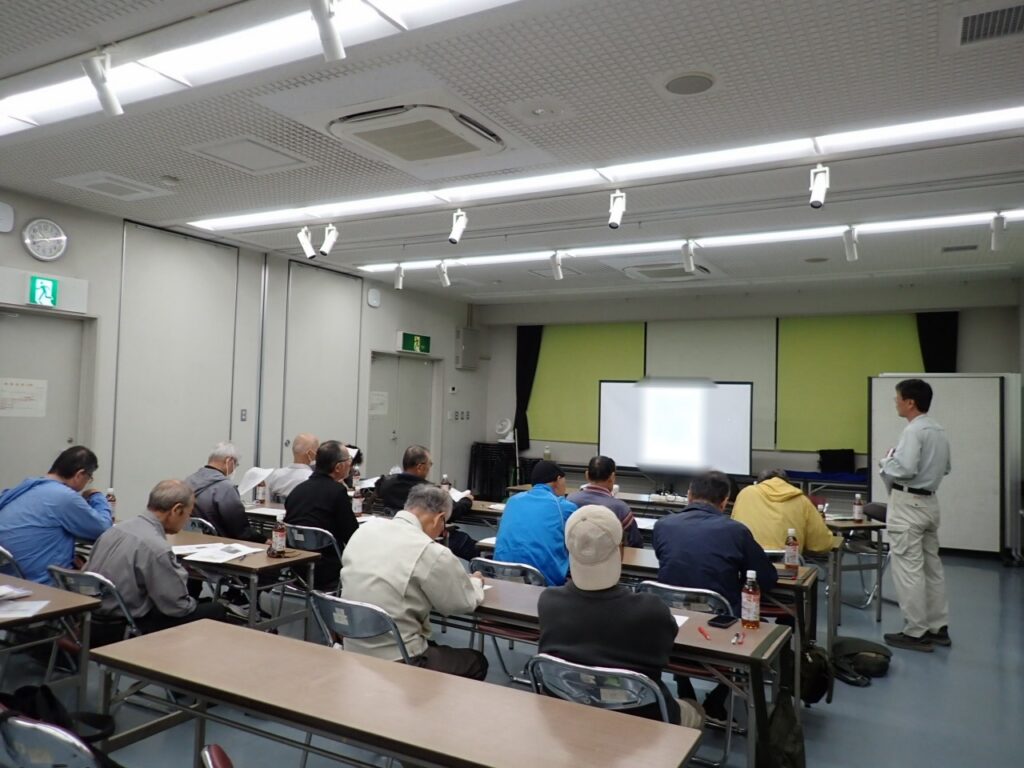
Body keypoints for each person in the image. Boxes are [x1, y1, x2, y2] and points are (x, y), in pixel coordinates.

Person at [538, 505, 703, 728]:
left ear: (569, 548)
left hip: (565, 710)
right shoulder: (651, 609)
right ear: (621, 550)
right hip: (643, 719)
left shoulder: (548, 601)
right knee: (695, 710)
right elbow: (667, 649)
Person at [652, 470, 777, 725]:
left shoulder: (663, 525)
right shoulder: (736, 531)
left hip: (669, 622)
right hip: (719, 624)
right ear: (725, 501)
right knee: (756, 623)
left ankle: (684, 687)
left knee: (682, 596)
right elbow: (766, 578)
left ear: (689, 495)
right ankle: (718, 698)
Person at [340, 485, 488, 679]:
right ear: (439, 518)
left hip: (352, 645)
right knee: (476, 662)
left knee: (431, 644)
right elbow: (461, 604)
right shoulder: (430, 551)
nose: (443, 531)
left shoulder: (364, 531)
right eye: (444, 524)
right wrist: (475, 583)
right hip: (398, 657)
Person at [85, 479, 226, 644]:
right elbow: (178, 607)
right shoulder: (157, 548)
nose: (187, 520)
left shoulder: (114, 531)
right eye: (189, 514)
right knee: (216, 609)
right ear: (176, 510)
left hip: (91, 620)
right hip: (124, 628)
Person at [878, 378, 952, 652]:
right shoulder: (938, 430)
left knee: (908, 569)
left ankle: (915, 631)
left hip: (908, 505)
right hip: (930, 503)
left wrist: (886, 461)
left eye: (897, 398)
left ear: (910, 402)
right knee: (932, 568)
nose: (895, 402)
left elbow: (905, 469)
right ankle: (938, 627)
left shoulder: (913, 431)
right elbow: (946, 468)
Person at [0, 446, 112, 585]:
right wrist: (97, 496)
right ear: (80, 474)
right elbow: (104, 529)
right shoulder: (63, 496)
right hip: (38, 586)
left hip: (8, 579)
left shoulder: (25, 487)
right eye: (89, 477)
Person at [375, 445, 479, 560]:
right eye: (430, 464)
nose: (430, 468)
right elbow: (452, 512)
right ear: (420, 467)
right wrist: (467, 500)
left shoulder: (386, 484)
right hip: (428, 537)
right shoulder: (427, 491)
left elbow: (378, 485)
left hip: (398, 535)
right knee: (468, 543)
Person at [284, 440, 359, 591]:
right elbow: (352, 535)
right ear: (338, 467)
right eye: (349, 460)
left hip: (296, 566)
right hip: (327, 568)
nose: (350, 464)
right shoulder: (337, 492)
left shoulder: (297, 490)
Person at [494, 460, 577, 586]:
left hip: (502, 576)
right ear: (558, 479)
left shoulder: (512, 501)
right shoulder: (564, 507)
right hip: (542, 581)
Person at [731, 469, 835, 553]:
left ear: (759, 482)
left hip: (746, 562)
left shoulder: (745, 494)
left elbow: (733, 529)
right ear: (787, 483)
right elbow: (822, 544)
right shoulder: (801, 500)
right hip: (787, 562)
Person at [184, 441, 262, 542]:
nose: (234, 468)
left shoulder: (188, 481)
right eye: (236, 464)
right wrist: (263, 539)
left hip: (189, 540)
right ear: (229, 461)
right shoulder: (226, 488)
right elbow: (241, 530)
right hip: (220, 543)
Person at [567, 456, 642, 548]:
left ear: (587, 475)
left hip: (575, 555)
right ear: (612, 477)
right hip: (609, 556)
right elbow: (635, 543)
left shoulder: (570, 500)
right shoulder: (620, 508)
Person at [265, 433, 319, 501]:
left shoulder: (275, 475)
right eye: (317, 451)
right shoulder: (313, 478)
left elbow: (267, 502)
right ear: (310, 453)